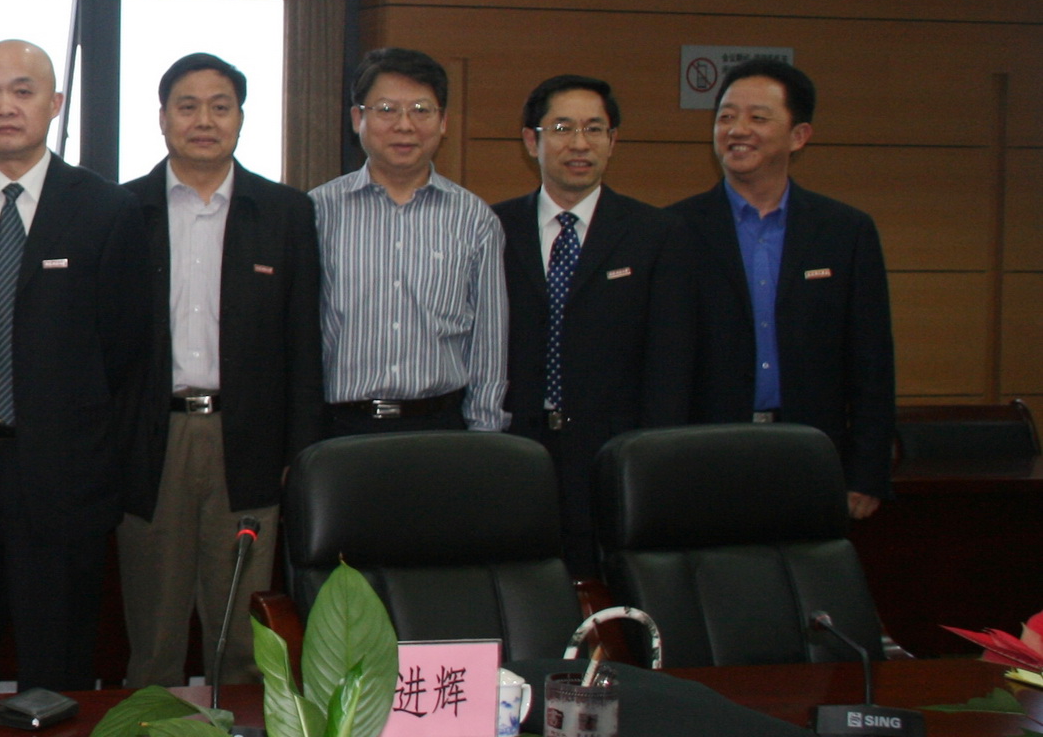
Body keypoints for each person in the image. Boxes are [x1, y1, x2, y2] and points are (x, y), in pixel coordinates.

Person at [0, 40, 150, 697]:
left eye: (23, 91)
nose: (5, 107)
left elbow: (125, 350)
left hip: (63, 477)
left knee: (60, 667)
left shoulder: (106, 210)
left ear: (55, 102)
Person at [116, 52, 321, 688]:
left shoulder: (285, 212)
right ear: (162, 118)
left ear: (240, 118)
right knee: (153, 635)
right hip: (152, 442)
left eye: (220, 107)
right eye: (187, 106)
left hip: (249, 440)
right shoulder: (122, 210)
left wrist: (299, 452)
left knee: (241, 637)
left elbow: (303, 341)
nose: (203, 121)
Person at [668, 59, 895, 518]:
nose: (737, 130)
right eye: (726, 117)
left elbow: (871, 360)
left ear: (798, 136)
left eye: (758, 117)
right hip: (703, 456)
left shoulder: (845, 231)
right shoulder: (673, 230)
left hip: (812, 454)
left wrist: (867, 471)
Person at [492, 74, 693, 572]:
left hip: (615, 453)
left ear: (613, 141)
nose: (579, 144)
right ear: (531, 140)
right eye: (562, 128)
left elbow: (670, 362)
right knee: (523, 584)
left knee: (614, 587)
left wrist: (657, 459)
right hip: (517, 450)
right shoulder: (492, 229)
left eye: (594, 129)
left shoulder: (656, 234)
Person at [311, 48, 508, 436]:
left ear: (443, 121)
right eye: (386, 110)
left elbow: (489, 343)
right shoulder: (317, 212)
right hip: (341, 429)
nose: (405, 125)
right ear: (358, 118)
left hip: (440, 428)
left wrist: (485, 435)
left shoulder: (475, 219)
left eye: (421, 110)